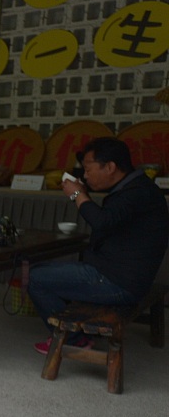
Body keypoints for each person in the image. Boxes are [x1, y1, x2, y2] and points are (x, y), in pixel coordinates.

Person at [28, 137, 169, 354]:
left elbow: (102, 222)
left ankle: (74, 339)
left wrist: (77, 194)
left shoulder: (135, 194)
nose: (85, 175)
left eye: (88, 169)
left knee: (36, 278)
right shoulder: (139, 187)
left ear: (110, 167)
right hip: (127, 278)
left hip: (119, 284)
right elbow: (110, 221)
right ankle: (79, 329)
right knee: (49, 271)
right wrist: (83, 193)